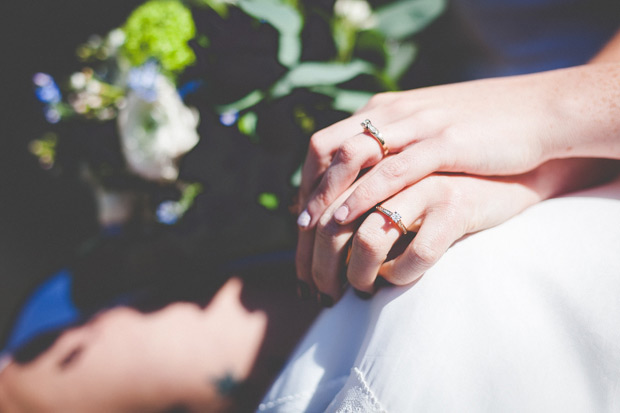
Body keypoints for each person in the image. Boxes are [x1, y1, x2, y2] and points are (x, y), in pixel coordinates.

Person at [259, 1, 620, 411]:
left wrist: (547, 120)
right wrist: (541, 168)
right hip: (500, 142)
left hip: (567, 143)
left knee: (455, 290)